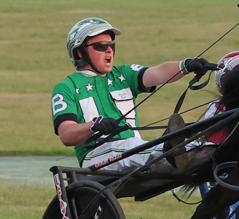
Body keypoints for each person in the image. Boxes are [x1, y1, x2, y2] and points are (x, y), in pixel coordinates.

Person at [51, 17, 211, 171]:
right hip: (95, 159)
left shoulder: (124, 74)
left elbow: (157, 72)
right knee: (133, 146)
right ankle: (169, 151)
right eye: (100, 46)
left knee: (138, 146)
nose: (109, 50)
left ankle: (206, 151)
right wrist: (93, 125)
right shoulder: (66, 88)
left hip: (136, 152)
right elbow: (66, 134)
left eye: (111, 45)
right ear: (79, 53)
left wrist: (185, 65)